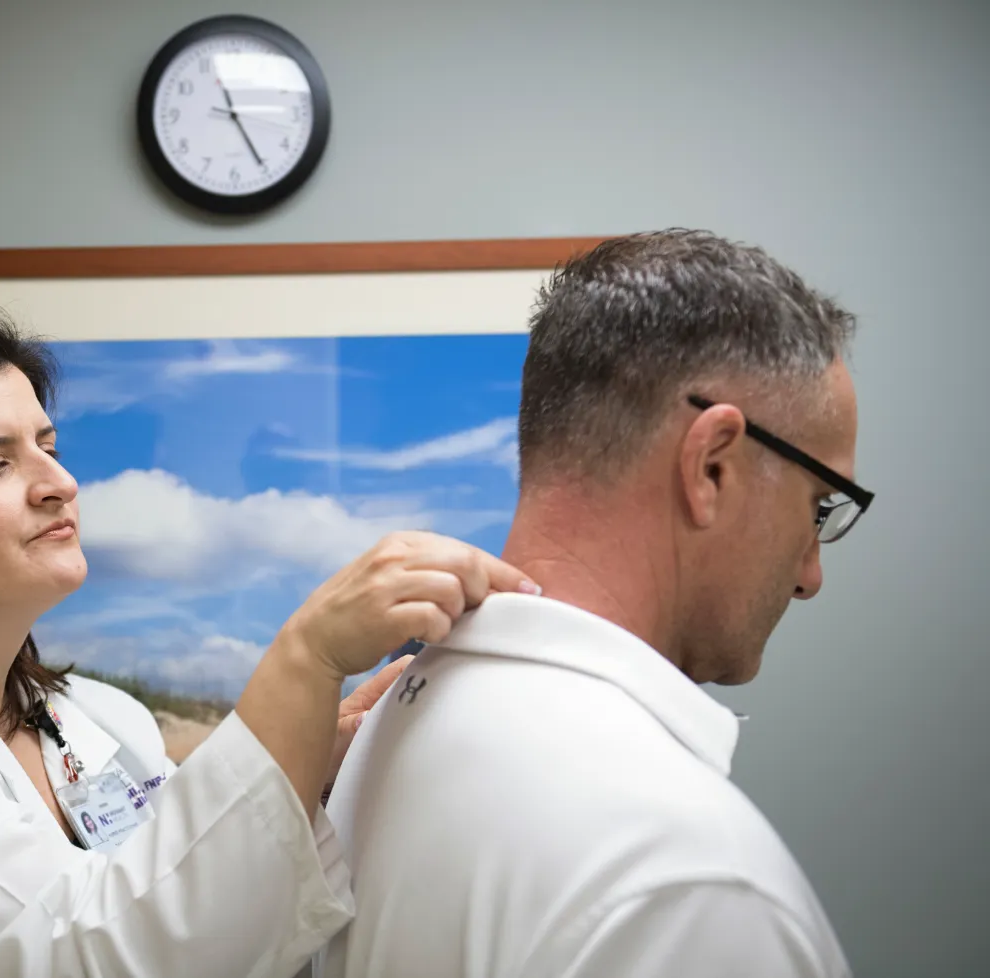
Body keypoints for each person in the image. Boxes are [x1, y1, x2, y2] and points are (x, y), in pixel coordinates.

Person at [0, 309, 538, 978]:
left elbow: (203, 911)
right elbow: (91, 956)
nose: (59, 484)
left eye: (48, 447)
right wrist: (306, 654)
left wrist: (309, 761)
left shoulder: (94, 720)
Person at [318, 230, 869, 978]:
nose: (810, 574)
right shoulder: (690, 885)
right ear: (710, 465)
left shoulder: (388, 730)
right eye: (816, 508)